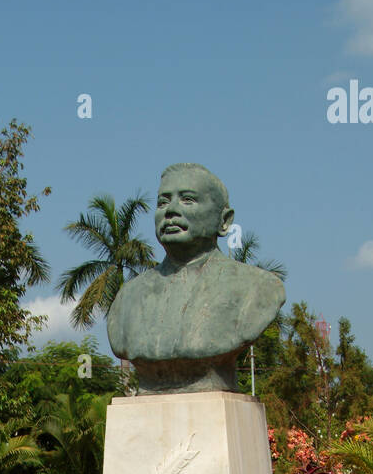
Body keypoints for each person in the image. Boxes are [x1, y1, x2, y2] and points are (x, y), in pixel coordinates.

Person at [107, 162, 284, 393]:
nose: (170, 211)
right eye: (162, 202)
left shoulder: (258, 288)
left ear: (224, 221)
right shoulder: (128, 297)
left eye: (187, 200)